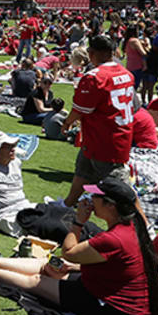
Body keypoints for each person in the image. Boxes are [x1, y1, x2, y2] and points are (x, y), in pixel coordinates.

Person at [0, 177, 158, 315]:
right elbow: (115, 267)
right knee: (48, 264)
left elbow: (68, 251)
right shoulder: (132, 229)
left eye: (96, 196)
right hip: (111, 293)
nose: (90, 198)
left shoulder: (114, 238)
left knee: (37, 280)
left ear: (110, 205)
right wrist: (73, 268)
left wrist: (78, 221)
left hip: (114, 308)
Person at [61, 35, 135, 206]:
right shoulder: (126, 73)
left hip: (105, 137)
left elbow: (79, 110)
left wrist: (67, 122)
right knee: (83, 171)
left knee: (120, 190)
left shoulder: (94, 77)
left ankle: (141, 224)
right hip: (112, 134)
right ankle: (68, 204)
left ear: (91, 53)